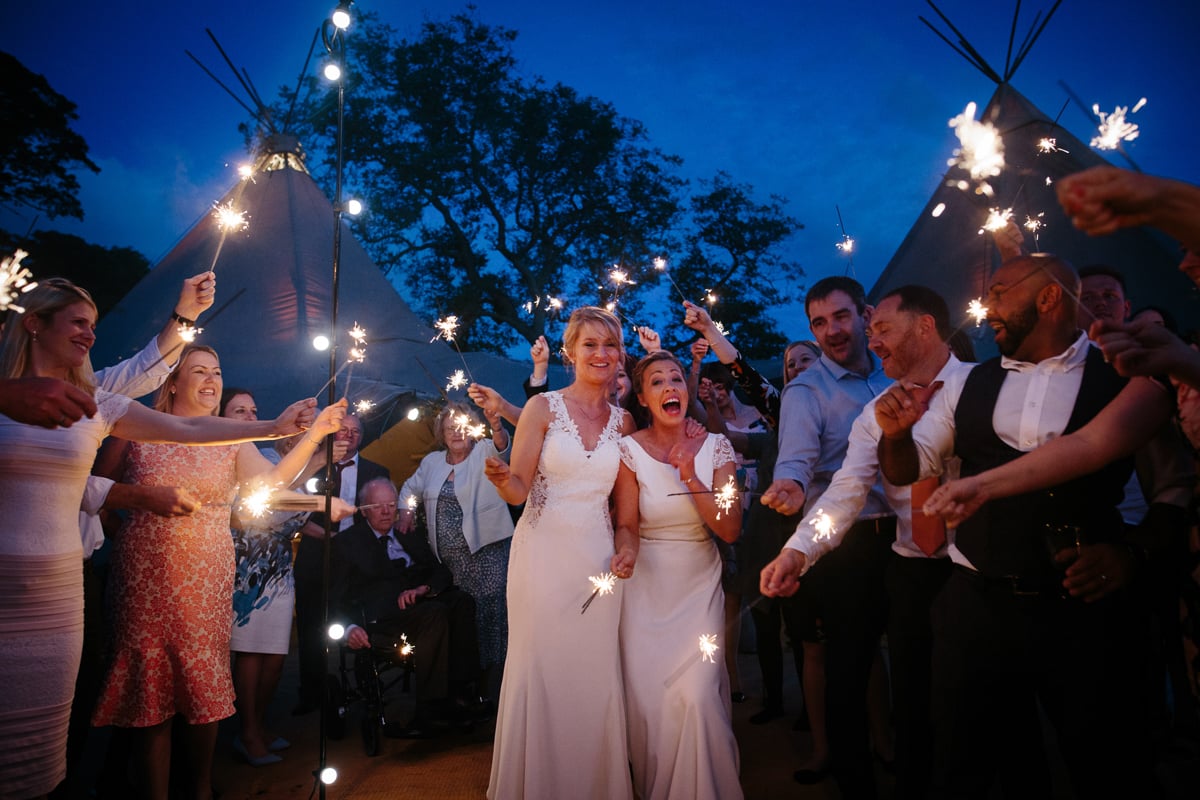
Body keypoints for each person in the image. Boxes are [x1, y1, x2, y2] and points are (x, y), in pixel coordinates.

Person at [0, 279, 325, 800]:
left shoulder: (96, 402)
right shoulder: (15, 399)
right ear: (34, 323)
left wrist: (278, 427)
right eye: (78, 322)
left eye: (93, 325)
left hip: (62, 588)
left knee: (49, 745)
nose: (89, 334)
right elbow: (106, 482)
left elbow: (191, 429)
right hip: (67, 577)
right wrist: (133, 499)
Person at [876, 254, 1155, 797]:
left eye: (1000, 292)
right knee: (966, 763)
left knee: (1108, 763)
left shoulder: (1122, 374)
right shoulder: (968, 383)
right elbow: (911, 468)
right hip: (976, 607)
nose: (987, 310)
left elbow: (1173, 493)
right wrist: (895, 435)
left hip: (1084, 613)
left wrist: (1131, 554)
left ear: (1048, 298)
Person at [90, 345, 348, 800]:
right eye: (199, 372)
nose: (212, 380)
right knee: (153, 694)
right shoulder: (133, 426)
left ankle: (201, 788)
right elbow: (96, 489)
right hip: (143, 579)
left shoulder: (230, 438)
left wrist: (314, 435)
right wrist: (128, 536)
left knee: (201, 687)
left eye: (217, 371)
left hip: (207, 576)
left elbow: (271, 483)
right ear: (171, 382)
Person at [760, 285, 975, 799]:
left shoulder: (981, 388)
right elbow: (842, 489)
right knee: (878, 677)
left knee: (970, 699)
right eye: (818, 323)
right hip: (891, 555)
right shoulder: (866, 409)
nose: (869, 339)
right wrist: (796, 549)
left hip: (973, 566)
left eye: (876, 327)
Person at [482, 306, 636, 800]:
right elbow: (519, 490)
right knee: (540, 666)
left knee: (593, 671)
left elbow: (626, 507)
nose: (601, 354)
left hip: (597, 559)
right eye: (590, 344)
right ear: (570, 352)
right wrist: (505, 479)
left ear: (620, 356)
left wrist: (627, 547)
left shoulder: (626, 422)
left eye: (609, 345)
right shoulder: (541, 408)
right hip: (541, 556)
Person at [758, 276, 895, 796]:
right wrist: (790, 484)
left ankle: (888, 742)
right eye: (819, 322)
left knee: (898, 653)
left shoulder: (892, 375)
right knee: (845, 663)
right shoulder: (806, 390)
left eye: (840, 316)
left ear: (865, 313)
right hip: (843, 543)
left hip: (906, 537)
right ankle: (853, 774)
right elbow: (795, 458)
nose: (831, 331)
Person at [611, 350, 743, 799]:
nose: (671, 387)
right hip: (645, 592)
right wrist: (625, 552)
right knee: (653, 705)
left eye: (676, 380)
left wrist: (689, 473)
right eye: (658, 383)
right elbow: (627, 522)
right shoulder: (628, 451)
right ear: (644, 399)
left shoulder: (717, 447)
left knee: (698, 695)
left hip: (698, 587)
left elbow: (729, 527)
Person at [331, 478, 482, 736]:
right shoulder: (348, 543)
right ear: (364, 509)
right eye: (378, 506)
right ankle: (430, 709)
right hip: (383, 616)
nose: (387, 511)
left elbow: (441, 572)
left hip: (420, 603)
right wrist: (350, 627)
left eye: (391, 504)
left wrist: (425, 588)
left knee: (462, 601)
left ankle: (461, 693)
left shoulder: (407, 532)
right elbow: (335, 595)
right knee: (435, 614)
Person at [221, 388, 323, 766]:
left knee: (276, 655)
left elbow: (290, 519)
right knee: (249, 653)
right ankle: (246, 733)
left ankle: (258, 725)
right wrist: (319, 494)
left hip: (279, 568)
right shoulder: (253, 457)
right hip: (247, 566)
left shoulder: (276, 460)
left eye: (254, 410)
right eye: (240, 411)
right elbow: (270, 507)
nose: (250, 417)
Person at [397, 402, 514, 700]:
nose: (456, 433)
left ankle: (494, 690)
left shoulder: (484, 451)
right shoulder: (432, 462)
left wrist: (497, 426)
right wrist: (405, 511)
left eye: (462, 427)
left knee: (491, 618)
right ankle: (464, 688)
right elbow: (411, 489)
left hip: (488, 554)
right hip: (450, 564)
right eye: (450, 429)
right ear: (442, 433)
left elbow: (504, 450)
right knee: (463, 623)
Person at [291, 412, 390, 715]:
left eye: (355, 431)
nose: (349, 435)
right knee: (310, 626)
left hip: (357, 563)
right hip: (315, 555)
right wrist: (326, 536)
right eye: (343, 430)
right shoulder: (312, 467)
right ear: (333, 434)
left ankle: (364, 686)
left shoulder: (377, 470)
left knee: (355, 620)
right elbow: (294, 511)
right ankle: (311, 694)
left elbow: (380, 516)